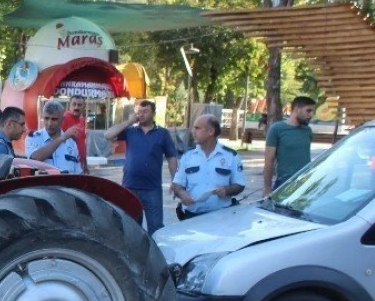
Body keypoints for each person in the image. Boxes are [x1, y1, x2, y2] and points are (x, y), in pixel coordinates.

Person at [105, 100, 178, 236]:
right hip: (130, 187)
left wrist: (175, 180)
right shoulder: (130, 131)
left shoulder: (162, 133)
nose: (141, 114)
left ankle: (155, 256)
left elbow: (171, 157)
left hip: (152, 188)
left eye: (145, 111)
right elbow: (108, 135)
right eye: (139, 111)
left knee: (156, 228)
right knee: (131, 227)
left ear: (153, 113)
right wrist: (128, 122)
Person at [171, 115, 246, 220]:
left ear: (210, 132)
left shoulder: (230, 156)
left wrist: (226, 190)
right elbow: (178, 185)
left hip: (221, 217)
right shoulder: (188, 156)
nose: (193, 131)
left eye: (197, 128)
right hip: (191, 217)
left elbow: (240, 184)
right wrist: (182, 194)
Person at [263, 96, 316, 195]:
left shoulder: (307, 131)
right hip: (285, 183)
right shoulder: (277, 129)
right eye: (308, 111)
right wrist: (267, 188)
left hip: (305, 183)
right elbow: (269, 161)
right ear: (296, 109)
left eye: (313, 112)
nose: (311, 115)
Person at [26, 100, 82, 174]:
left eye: (54, 119)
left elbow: (78, 173)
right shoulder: (34, 137)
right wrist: (62, 138)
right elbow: (35, 158)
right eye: (46, 118)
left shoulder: (71, 142)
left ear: (62, 120)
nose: (49, 123)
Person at [62, 96, 91, 174]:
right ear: (69, 106)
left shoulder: (82, 119)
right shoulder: (63, 119)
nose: (76, 107)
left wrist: (85, 163)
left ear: (83, 106)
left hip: (80, 163)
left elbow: (82, 142)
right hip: (68, 163)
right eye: (74, 104)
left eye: (79, 105)